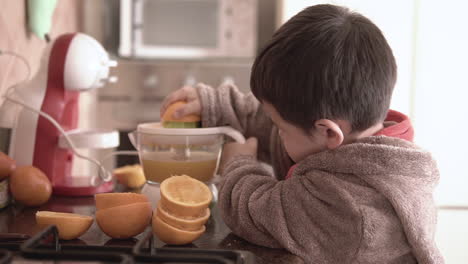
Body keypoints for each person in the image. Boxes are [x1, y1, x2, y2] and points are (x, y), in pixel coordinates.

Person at [160, 4, 443, 263]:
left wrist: (238, 165)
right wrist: (219, 105)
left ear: (329, 133)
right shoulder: (360, 141)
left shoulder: (355, 209)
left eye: (281, 129)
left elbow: (259, 212)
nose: (276, 132)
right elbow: (277, 123)